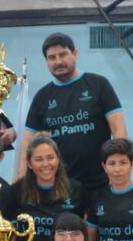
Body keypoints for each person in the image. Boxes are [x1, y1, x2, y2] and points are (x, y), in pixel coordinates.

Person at [20, 32, 126, 198]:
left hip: (100, 183)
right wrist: (22, 179)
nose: (58, 62)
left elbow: (119, 130)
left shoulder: (98, 84)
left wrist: (118, 172)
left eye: (63, 55)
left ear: (75, 53)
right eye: (52, 58)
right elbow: (28, 141)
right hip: (59, 187)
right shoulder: (42, 96)